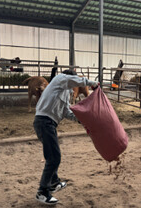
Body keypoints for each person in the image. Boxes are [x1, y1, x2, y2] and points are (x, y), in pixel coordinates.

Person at [32, 69, 99, 205]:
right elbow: (74, 80)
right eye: (74, 82)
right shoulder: (60, 79)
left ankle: (53, 183)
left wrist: (82, 120)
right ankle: (42, 192)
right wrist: (92, 83)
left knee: (51, 155)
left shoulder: (64, 92)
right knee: (54, 157)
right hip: (44, 122)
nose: (75, 86)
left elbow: (66, 111)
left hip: (48, 123)